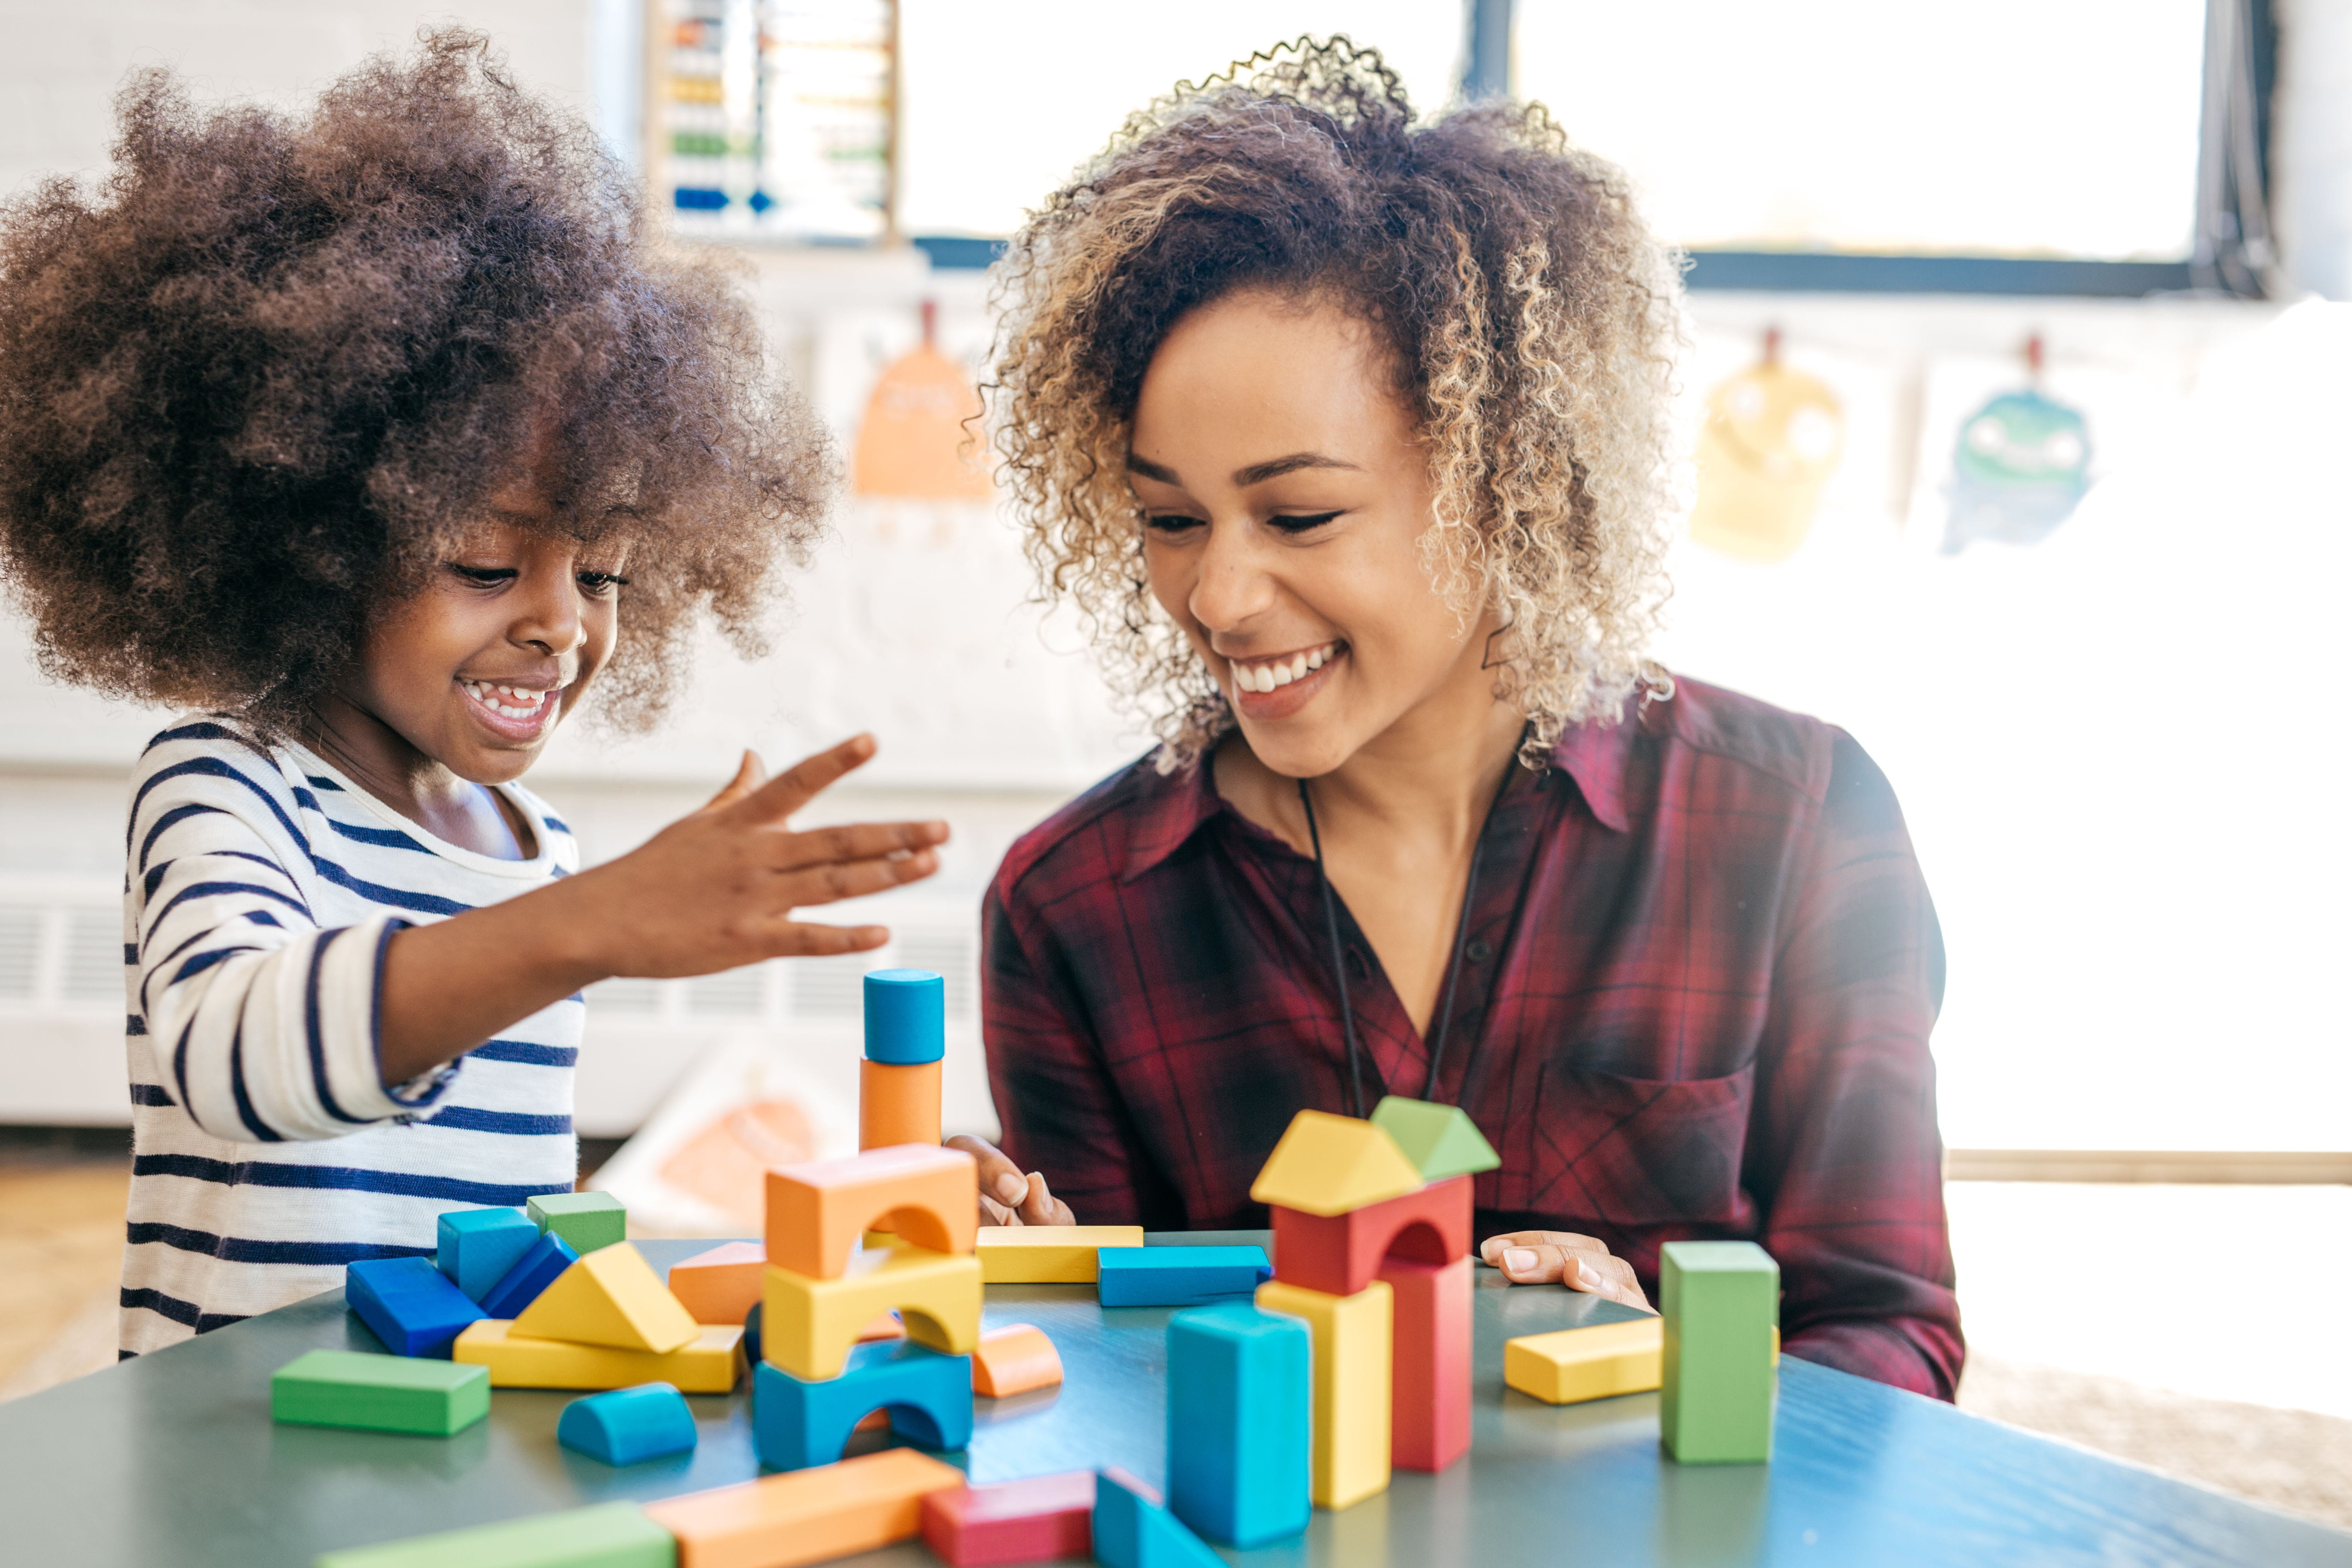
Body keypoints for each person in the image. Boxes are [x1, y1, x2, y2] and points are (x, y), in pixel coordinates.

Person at [959, 40, 1961, 1398]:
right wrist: (1025, 1278)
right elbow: (1113, 1388)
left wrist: (1667, 1366)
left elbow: (1890, 1334)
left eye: (1301, 514)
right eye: (1170, 520)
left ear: (1509, 483)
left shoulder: (1791, 822)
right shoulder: (1076, 906)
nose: (1220, 593)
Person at [0, 32, 948, 1355]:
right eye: (486, 564)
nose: (562, 622)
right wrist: (587, 925)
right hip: (234, 1465)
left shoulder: (538, 857)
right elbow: (238, 1062)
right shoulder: (228, 788)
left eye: (605, 570)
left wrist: (869, 1212)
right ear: (312, 543)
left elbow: (505, 1240)